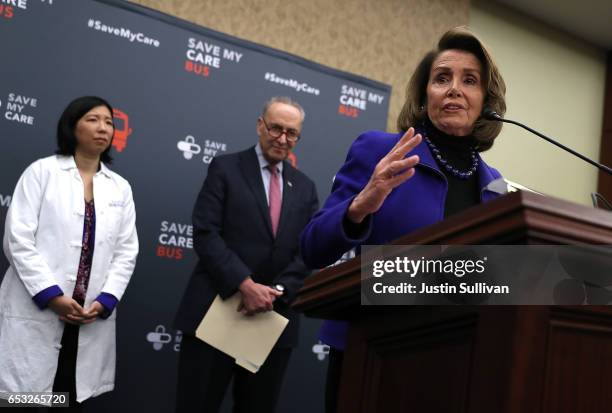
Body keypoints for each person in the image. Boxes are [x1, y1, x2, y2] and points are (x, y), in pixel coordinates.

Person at [299, 27, 507, 412]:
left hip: (453, 359)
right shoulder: (380, 151)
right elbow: (312, 246)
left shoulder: (493, 184)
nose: (454, 89)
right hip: (372, 352)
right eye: (442, 78)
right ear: (425, 93)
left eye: (470, 80)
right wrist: (360, 205)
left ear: (487, 102)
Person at [174, 96, 319, 413]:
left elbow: (307, 252)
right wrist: (245, 284)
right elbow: (206, 233)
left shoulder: (305, 188)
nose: (282, 138)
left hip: (272, 319)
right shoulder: (225, 168)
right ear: (260, 126)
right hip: (218, 308)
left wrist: (275, 292)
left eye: (291, 133)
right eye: (275, 128)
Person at [0, 96, 139, 411]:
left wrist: (105, 301)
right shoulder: (42, 173)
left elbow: (126, 251)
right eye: (92, 119)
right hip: (39, 312)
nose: (103, 128)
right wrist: (51, 295)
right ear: (71, 125)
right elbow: (18, 239)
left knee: (67, 396)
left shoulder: (120, 188)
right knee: (25, 401)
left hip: (87, 318)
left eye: (108, 122)